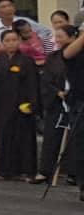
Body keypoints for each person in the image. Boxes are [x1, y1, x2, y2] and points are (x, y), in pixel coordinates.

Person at [0, 28, 38, 180]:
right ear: (2, 43)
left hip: (22, 105)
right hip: (3, 106)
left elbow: (33, 85)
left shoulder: (27, 61)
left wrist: (31, 104)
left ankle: (26, 170)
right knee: (5, 138)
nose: (11, 43)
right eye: (7, 41)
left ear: (19, 41)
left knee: (24, 138)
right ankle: (6, 170)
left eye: (14, 40)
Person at [34, 22, 76, 186]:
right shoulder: (52, 57)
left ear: (72, 38)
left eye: (60, 36)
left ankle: (74, 172)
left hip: (76, 102)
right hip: (56, 102)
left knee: (75, 138)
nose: (57, 40)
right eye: (56, 36)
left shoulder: (78, 56)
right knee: (51, 137)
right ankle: (46, 170)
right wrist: (57, 92)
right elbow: (46, 80)